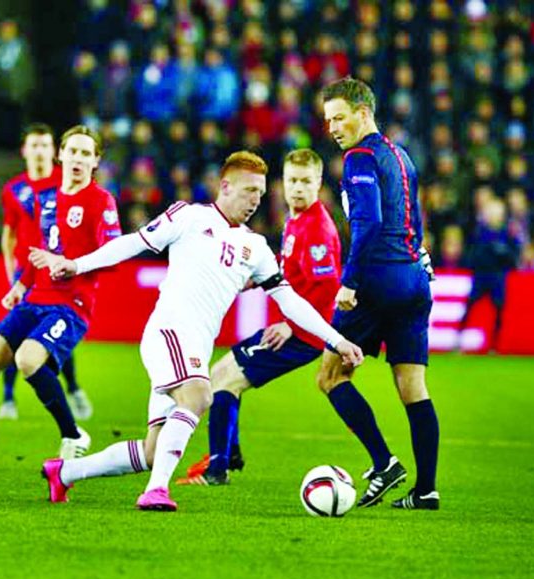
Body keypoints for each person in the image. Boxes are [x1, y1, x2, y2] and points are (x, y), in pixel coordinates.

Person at [32, 151, 363, 512]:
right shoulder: (188, 216)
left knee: (153, 450)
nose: (256, 200)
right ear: (225, 186)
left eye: (261, 192)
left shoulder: (255, 247)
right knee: (200, 396)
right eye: (249, 190)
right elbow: (133, 242)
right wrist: (76, 265)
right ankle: (156, 491)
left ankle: (64, 473)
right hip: (168, 333)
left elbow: (292, 302)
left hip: (195, 348)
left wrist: (337, 339)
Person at [0, 125, 120, 470]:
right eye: (73, 151)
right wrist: (21, 285)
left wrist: (71, 265)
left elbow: (114, 255)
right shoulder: (45, 200)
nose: (77, 159)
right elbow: (43, 251)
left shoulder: (100, 202)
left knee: (27, 359)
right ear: (60, 155)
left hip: (71, 306)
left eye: (86, 153)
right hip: (36, 296)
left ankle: (73, 434)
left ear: (95, 162)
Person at [177, 148, 342, 486]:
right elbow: (294, 275)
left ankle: (218, 469)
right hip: (296, 331)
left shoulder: (318, 230)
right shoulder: (296, 219)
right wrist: (252, 280)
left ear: (319, 184)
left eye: (306, 182)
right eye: (292, 180)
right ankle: (227, 455)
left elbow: (326, 290)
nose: (297, 188)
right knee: (222, 375)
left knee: (223, 379)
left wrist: (290, 324)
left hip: (302, 336)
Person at [317, 77, 440, 511]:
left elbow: (367, 225)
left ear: (362, 113)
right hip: (414, 280)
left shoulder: (360, 157)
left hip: (378, 280)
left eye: (339, 117)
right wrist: (420, 260)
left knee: (330, 376)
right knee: (413, 386)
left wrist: (350, 282)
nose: (332, 127)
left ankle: (384, 463)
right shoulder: (401, 156)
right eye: (328, 119)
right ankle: (426, 490)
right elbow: (415, 220)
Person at [0, 123, 93, 421]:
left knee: (52, 334)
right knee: (12, 334)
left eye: (44, 145)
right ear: (25, 150)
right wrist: (10, 273)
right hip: (25, 273)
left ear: (54, 151)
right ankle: (8, 399)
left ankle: (74, 388)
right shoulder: (13, 189)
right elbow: (8, 233)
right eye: (34, 145)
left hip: (56, 271)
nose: (39, 150)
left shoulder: (63, 183)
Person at [457, 198, 520, 352]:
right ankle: (457, 341)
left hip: (498, 277)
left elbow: (513, 258)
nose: (493, 215)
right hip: (481, 276)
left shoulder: (507, 234)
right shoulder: (479, 232)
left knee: (499, 310)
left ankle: (494, 345)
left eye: (497, 212)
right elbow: (473, 255)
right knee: (470, 305)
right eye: (491, 212)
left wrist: (502, 253)